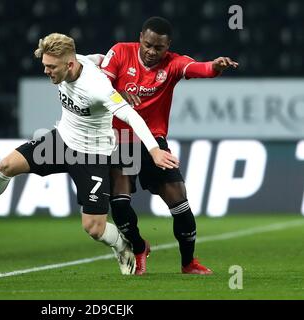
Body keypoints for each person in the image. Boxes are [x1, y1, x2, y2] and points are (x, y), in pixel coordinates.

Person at [0, 32, 180, 275]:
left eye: (51, 67)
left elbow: (131, 115)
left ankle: (123, 246)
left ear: (69, 64)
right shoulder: (80, 60)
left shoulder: (96, 86)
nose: (46, 71)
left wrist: (154, 150)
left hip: (92, 155)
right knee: (6, 166)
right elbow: (103, 58)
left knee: (94, 228)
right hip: (61, 141)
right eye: (45, 65)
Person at [99, 17, 239, 275]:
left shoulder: (173, 64)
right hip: (119, 140)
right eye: (148, 45)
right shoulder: (120, 52)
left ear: (168, 46)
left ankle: (188, 263)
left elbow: (200, 68)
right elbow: (98, 85)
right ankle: (140, 247)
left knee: (179, 202)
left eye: (159, 48)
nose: (152, 52)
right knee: (119, 205)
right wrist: (117, 95)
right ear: (140, 37)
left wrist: (216, 66)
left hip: (154, 143)